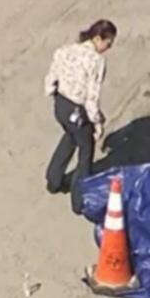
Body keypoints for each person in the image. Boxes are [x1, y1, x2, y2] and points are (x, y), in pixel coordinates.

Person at [43, 19, 116, 213]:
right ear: (98, 38)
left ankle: (54, 180)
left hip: (61, 105)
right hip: (78, 110)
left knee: (70, 136)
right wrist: (98, 123)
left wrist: (54, 95)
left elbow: (51, 80)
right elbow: (91, 98)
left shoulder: (65, 50)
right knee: (86, 151)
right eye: (108, 43)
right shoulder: (96, 61)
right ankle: (79, 199)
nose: (108, 48)